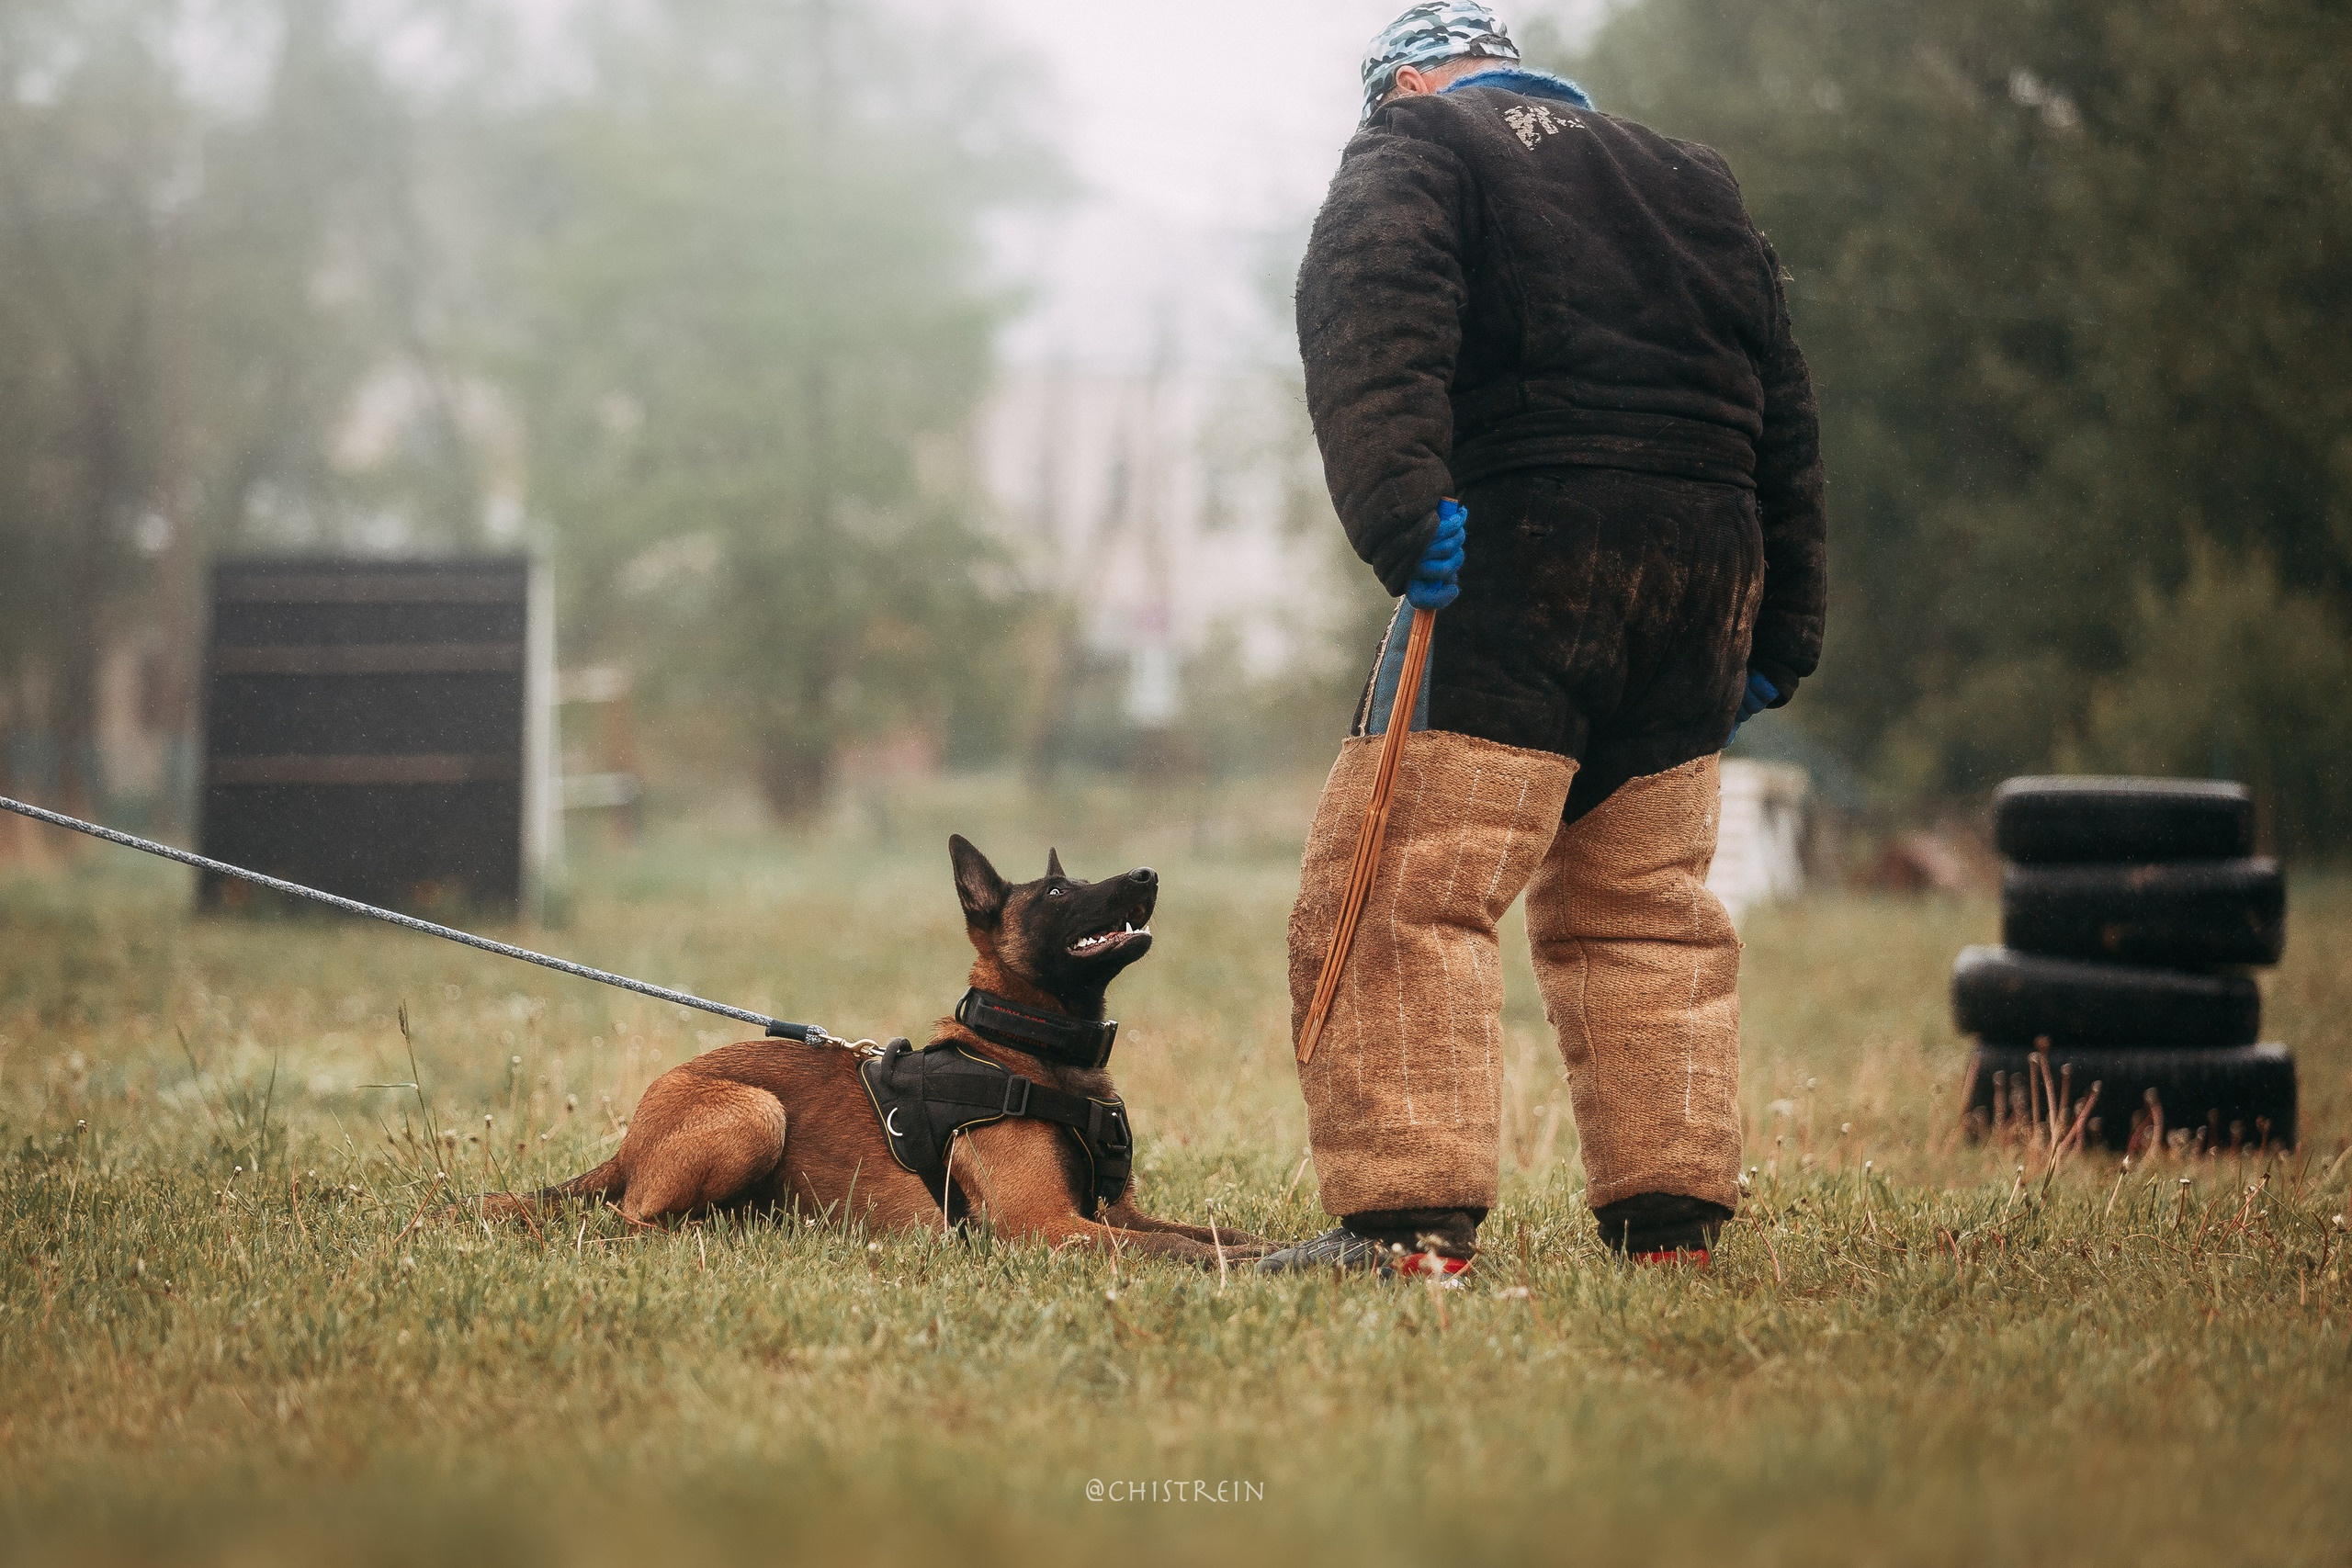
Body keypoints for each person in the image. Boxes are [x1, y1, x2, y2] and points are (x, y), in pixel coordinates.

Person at [1257, 1, 1826, 1277]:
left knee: (1396, 888)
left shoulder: (1421, 142)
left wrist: (1402, 514)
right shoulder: (1693, 181)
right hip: (1700, 584)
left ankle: (1409, 1231)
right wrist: (1782, 625)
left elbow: (1370, 312)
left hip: (1525, 565)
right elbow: (1785, 411)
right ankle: (1671, 1227)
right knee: (1647, 912)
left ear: (1406, 83)